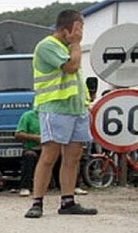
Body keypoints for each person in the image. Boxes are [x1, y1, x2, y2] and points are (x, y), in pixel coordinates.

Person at [25, 9, 96, 218]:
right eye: (78, 28)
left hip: (76, 108)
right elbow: (72, 67)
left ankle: (68, 201)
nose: (81, 33)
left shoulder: (65, 47)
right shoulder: (47, 45)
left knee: (73, 156)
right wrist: (75, 44)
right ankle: (37, 202)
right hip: (55, 107)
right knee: (49, 154)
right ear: (67, 29)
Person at [14, 109, 41, 197]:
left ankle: (72, 186)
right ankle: (25, 187)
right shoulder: (28, 116)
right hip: (33, 147)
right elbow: (18, 134)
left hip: (49, 147)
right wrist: (35, 138)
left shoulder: (53, 116)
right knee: (29, 155)